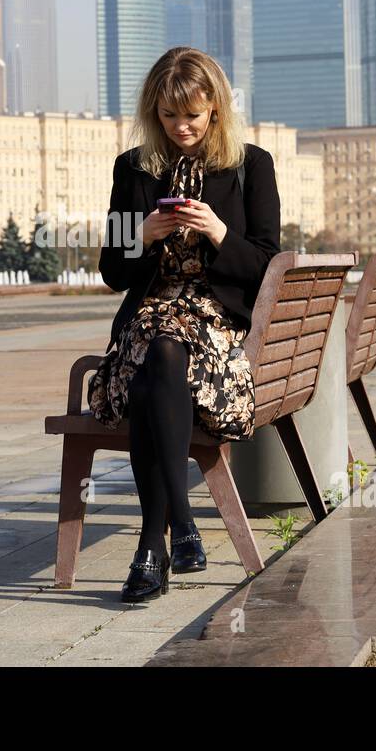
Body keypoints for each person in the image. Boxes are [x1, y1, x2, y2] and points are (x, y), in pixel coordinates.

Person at [88, 47, 281, 603]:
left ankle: (155, 542)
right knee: (158, 354)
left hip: (216, 323)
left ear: (216, 109)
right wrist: (140, 236)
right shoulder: (135, 168)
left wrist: (220, 233)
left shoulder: (250, 166)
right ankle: (178, 527)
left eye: (192, 116)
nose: (181, 128)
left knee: (161, 361)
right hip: (150, 315)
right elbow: (112, 273)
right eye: (169, 117)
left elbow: (268, 267)